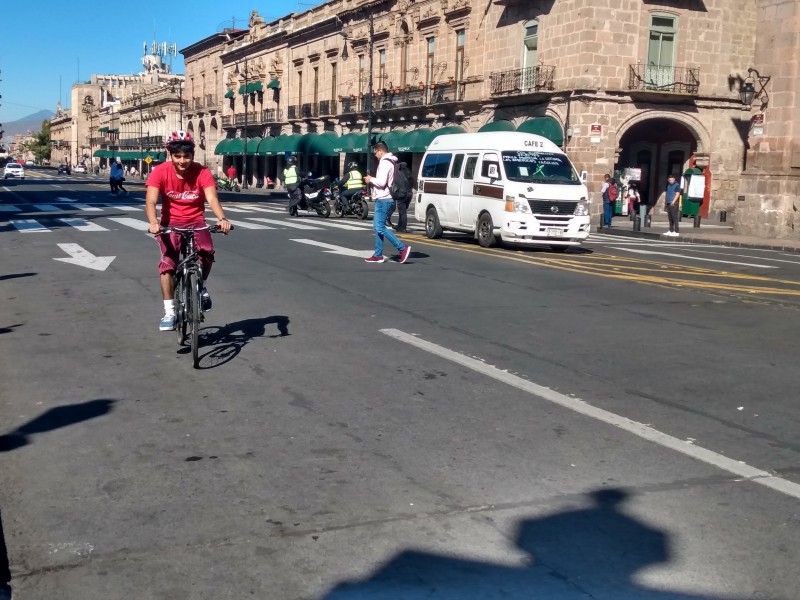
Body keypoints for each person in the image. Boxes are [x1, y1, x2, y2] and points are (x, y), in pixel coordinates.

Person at [145, 130, 231, 331]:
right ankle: (170, 311)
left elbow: (212, 199)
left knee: (207, 254)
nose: (183, 161)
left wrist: (222, 218)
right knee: (168, 265)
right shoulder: (159, 172)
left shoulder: (202, 172)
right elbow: (150, 200)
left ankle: (201, 287)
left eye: (187, 156)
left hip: (196, 221)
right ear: (170, 155)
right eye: (178, 156)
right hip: (170, 223)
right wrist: (153, 222)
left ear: (193, 154)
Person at [363, 141, 411, 264]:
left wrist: (370, 179)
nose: (375, 155)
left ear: (381, 151)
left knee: (379, 226)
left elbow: (381, 182)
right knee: (378, 227)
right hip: (385, 198)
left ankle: (402, 248)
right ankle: (378, 254)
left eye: (376, 153)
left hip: (384, 199)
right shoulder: (391, 161)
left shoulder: (384, 163)